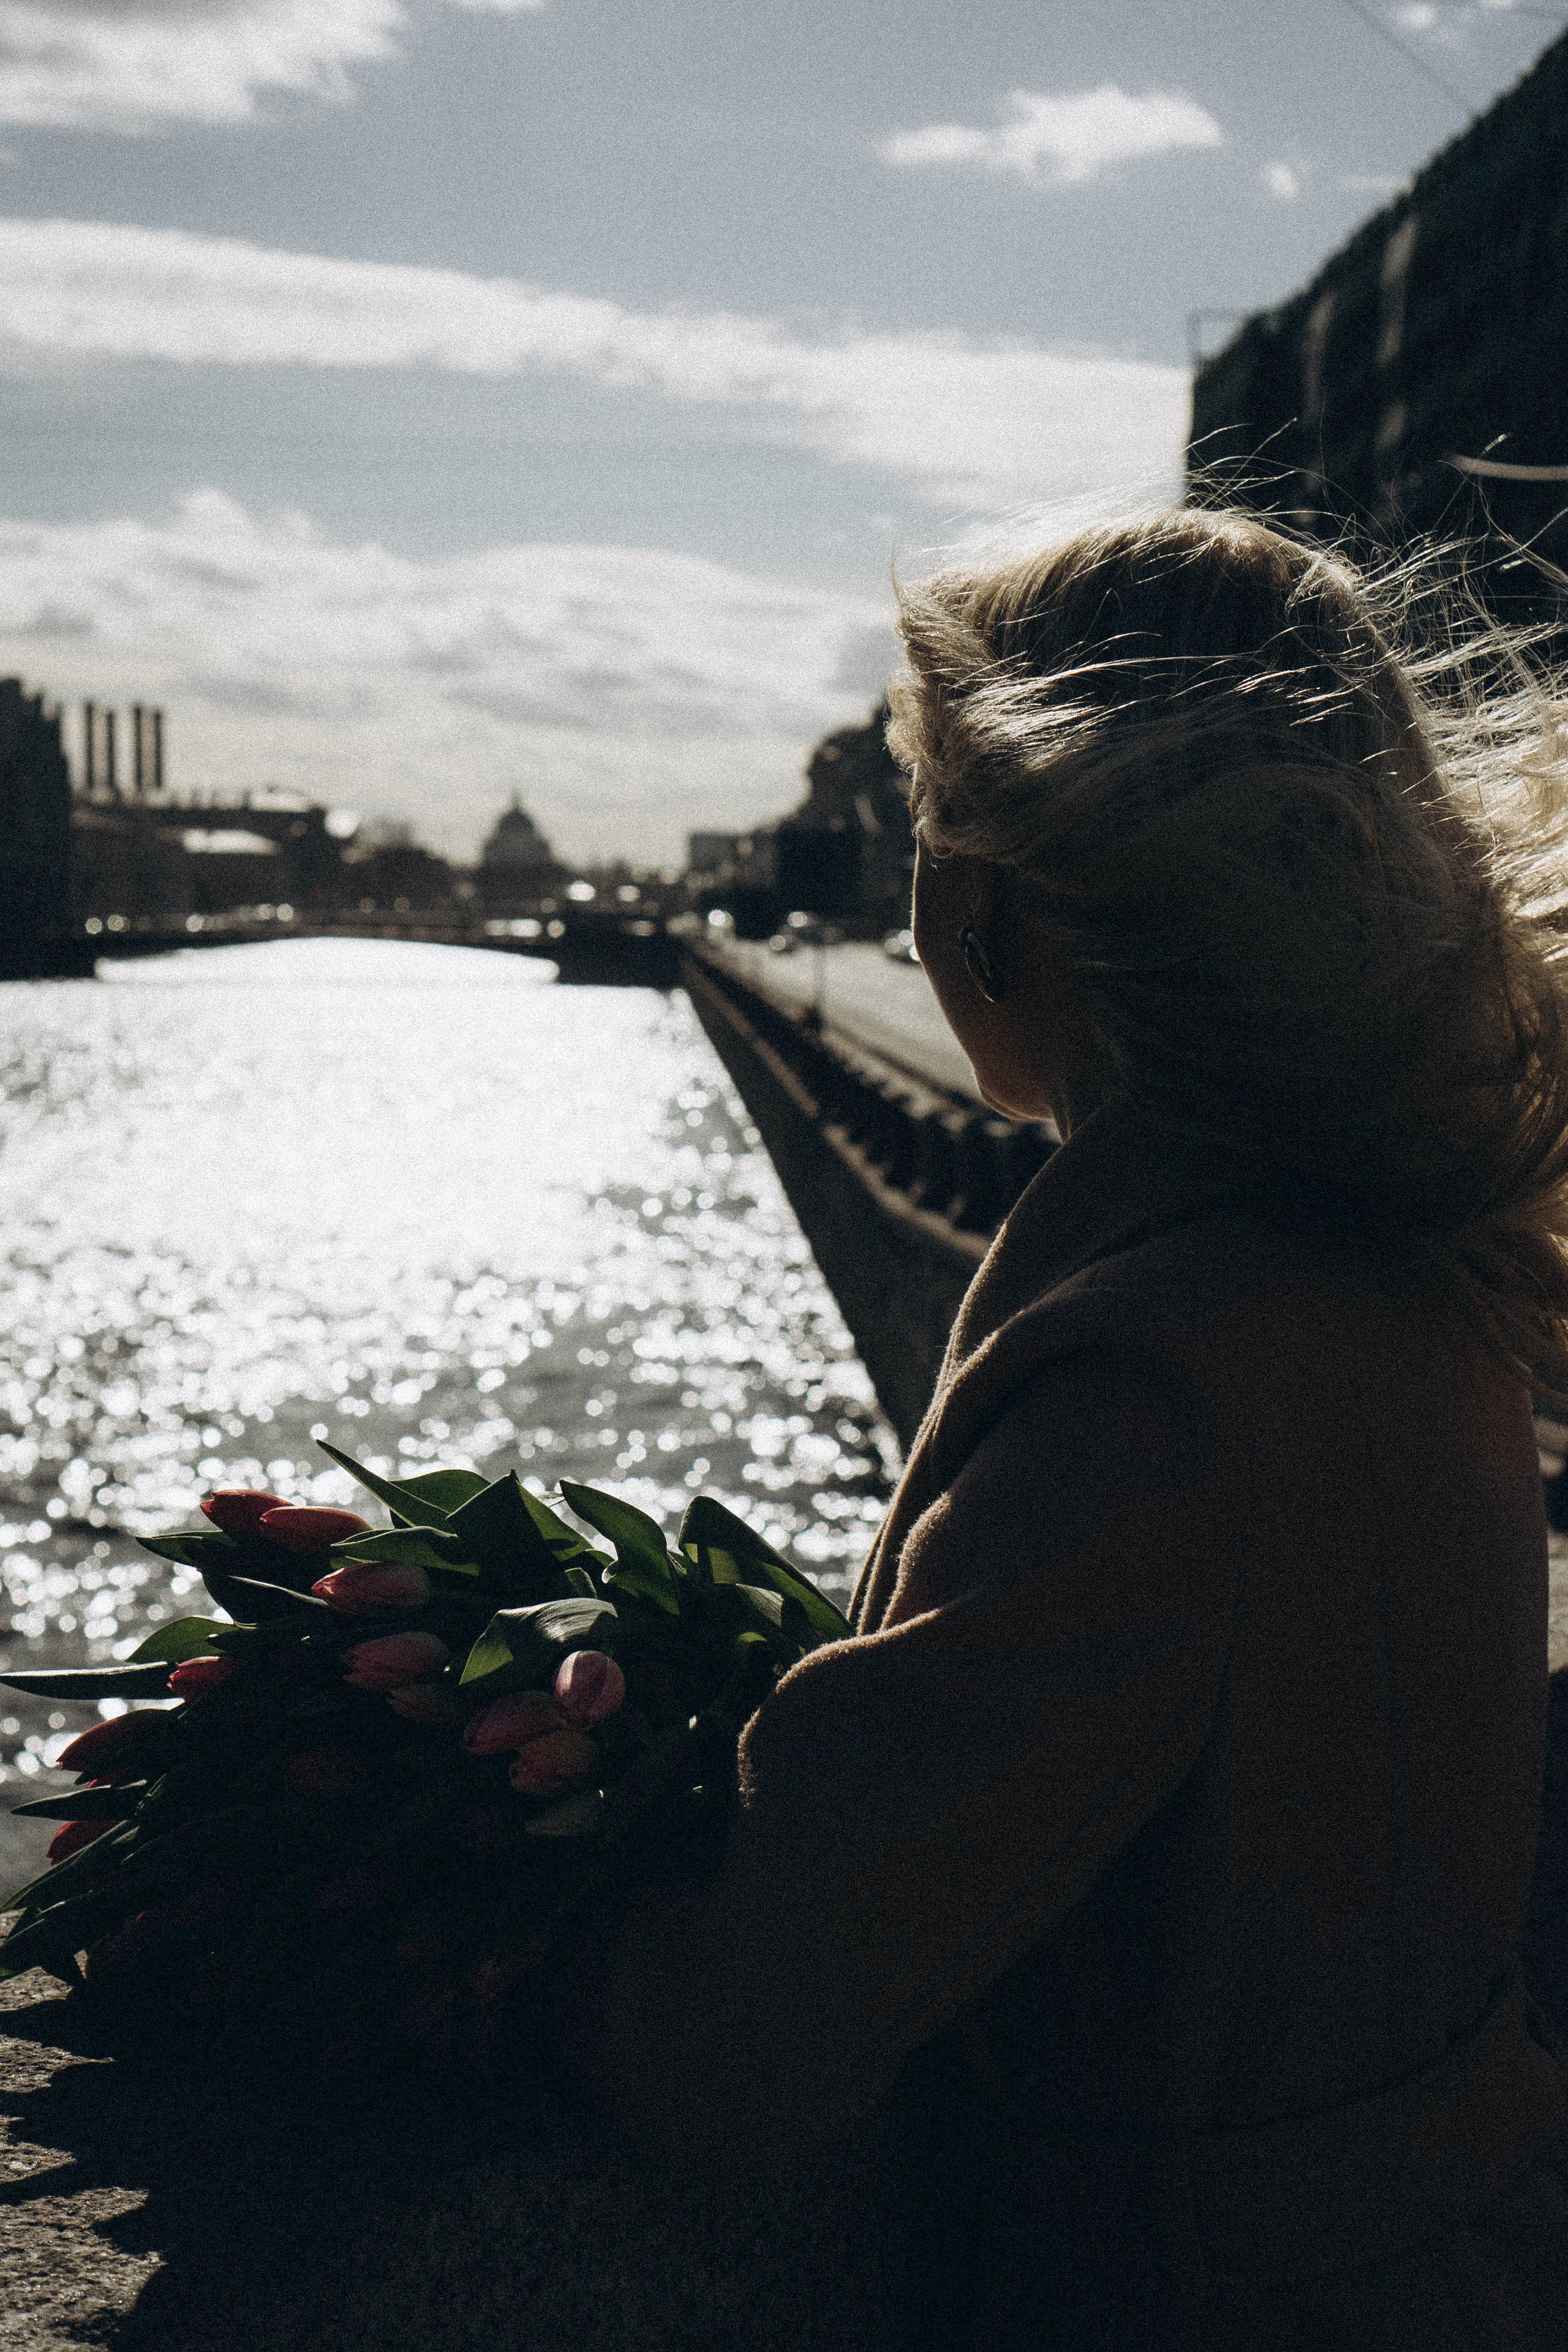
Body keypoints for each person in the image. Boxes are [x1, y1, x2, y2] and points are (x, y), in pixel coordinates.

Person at [570, 508, 1568, 2347]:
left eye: (924, 849)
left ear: (1009, 914)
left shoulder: (1146, 1390)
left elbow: (741, 2043)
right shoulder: (1406, 1267)